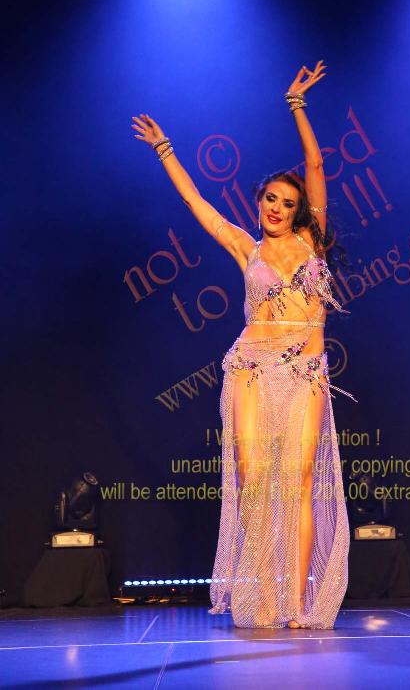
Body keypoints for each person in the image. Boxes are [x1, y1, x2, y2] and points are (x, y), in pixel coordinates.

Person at [131, 61, 355, 629]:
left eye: (285, 202)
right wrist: (165, 151)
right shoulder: (245, 248)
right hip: (251, 367)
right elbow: (197, 205)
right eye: (269, 199)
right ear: (259, 204)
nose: (275, 207)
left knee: (298, 483)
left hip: (304, 370)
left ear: (298, 210)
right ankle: (264, 597)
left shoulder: (312, 242)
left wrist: (296, 105)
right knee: (255, 480)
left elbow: (315, 165)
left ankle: (298, 604)